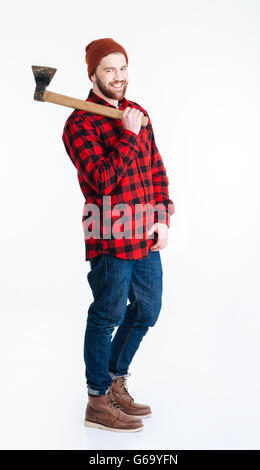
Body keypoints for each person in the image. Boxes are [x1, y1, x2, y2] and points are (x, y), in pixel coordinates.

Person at [62, 38, 175, 432]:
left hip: (143, 231)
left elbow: (156, 170)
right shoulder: (79, 124)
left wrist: (163, 216)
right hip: (108, 232)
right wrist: (126, 136)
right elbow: (103, 181)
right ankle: (97, 400)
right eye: (109, 70)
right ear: (92, 74)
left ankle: (114, 381)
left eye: (123, 68)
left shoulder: (139, 113)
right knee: (107, 313)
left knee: (148, 310)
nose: (118, 77)